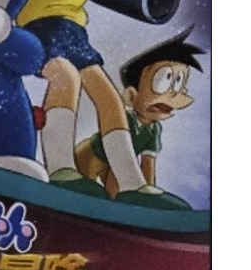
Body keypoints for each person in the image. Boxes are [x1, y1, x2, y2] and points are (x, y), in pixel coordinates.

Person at [16, 0, 187, 208]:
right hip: (39, 30)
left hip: (73, 33)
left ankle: (131, 182)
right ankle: (61, 169)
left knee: (109, 97)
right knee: (65, 78)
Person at [76, 27, 204, 199]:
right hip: (90, 156)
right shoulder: (125, 120)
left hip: (115, 165)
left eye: (179, 83)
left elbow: (148, 164)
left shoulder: (154, 129)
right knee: (92, 190)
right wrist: (117, 198)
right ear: (131, 96)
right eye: (163, 81)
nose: (171, 97)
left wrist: (147, 195)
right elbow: (118, 164)